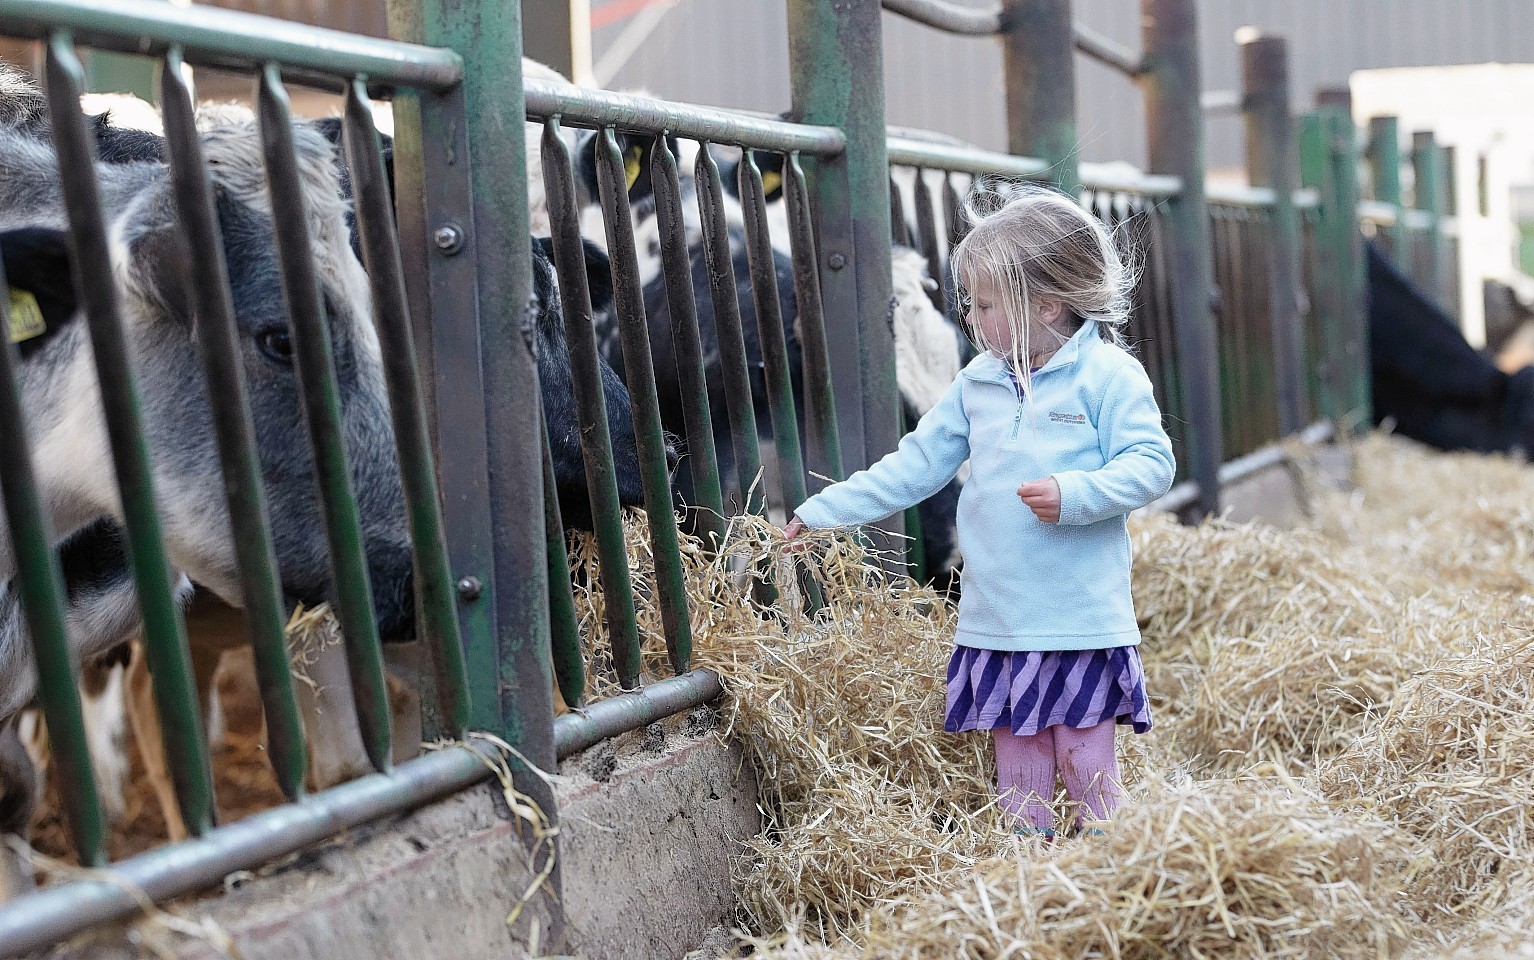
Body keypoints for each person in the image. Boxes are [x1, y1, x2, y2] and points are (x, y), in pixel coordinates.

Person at [782, 184, 1174, 838]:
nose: (973, 316)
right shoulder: (978, 383)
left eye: (986, 303)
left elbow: (1151, 463)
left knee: (1085, 763)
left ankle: (1105, 872)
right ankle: (1027, 876)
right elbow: (916, 462)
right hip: (999, 622)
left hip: (1078, 620)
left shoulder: (1109, 377)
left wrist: (1076, 495)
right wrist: (827, 509)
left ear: (1045, 305)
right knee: (1017, 766)